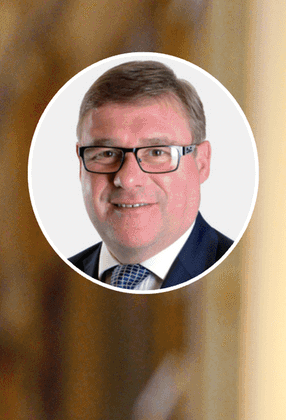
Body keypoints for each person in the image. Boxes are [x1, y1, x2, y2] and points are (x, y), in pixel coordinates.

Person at [70, 60, 232, 290]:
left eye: (157, 152)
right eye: (107, 153)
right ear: (81, 165)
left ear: (202, 163)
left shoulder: (248, 277)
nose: (128, 179)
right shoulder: (51, 284)